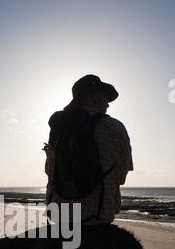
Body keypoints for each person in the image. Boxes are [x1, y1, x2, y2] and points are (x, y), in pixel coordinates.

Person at [44, 74, 133, 224]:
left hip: (58, 214)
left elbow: (49, 170)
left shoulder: (60, 126)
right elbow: (121, 177)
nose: (108, 104)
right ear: (96, 95)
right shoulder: (115, 127)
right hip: (97, 216)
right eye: (106, 98)